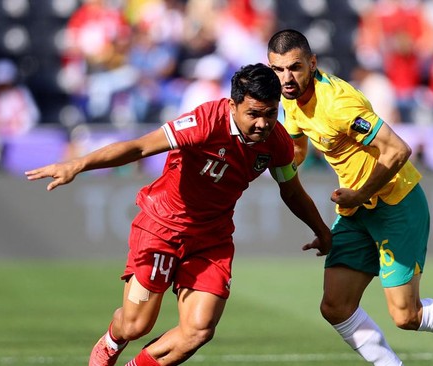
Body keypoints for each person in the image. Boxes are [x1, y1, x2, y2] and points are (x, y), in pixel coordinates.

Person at [25, 63, 331, 366]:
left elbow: (291, 190)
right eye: (253, 113)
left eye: (270, 113)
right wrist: (77, 165)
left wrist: (321, 230)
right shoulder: (205, 122)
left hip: (212, 239)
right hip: (162, 227)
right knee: (135, 326)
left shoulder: (276, 143)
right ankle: (110, 343)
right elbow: (140, 148)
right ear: (233, 105)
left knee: (198, 331)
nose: (263, 124)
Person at [267, 29, 433, 366]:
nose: (286, 78)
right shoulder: (291, 99)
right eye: (277, 70)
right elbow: (296, 147)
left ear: (312, 63)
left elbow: (398, 149)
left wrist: (360, 193)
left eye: (294, 67)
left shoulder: (339, 103)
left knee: (405, 315)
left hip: (396, 202)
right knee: (335, 307)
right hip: (356, 209)